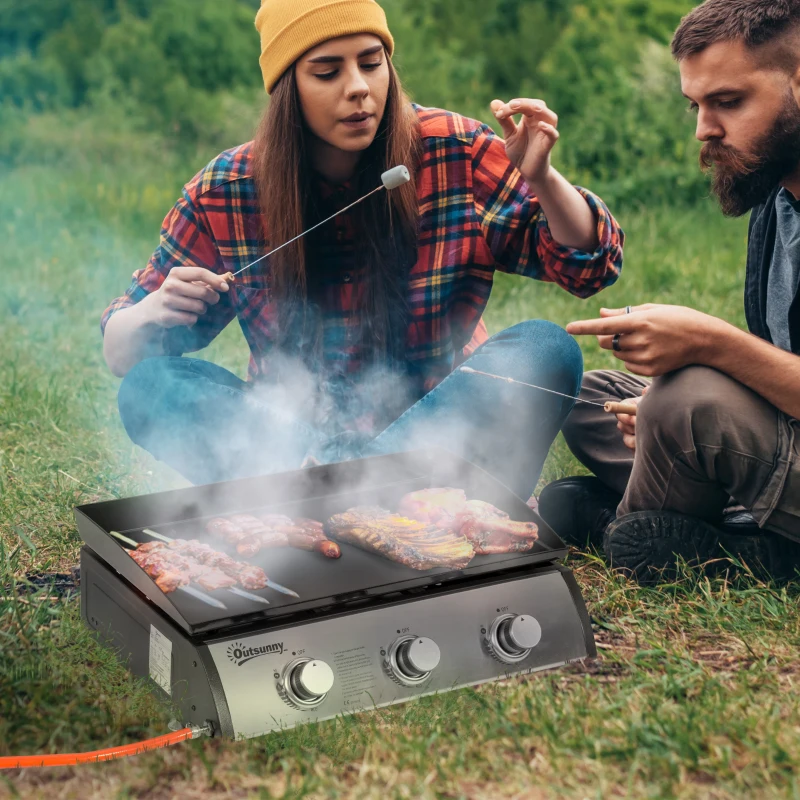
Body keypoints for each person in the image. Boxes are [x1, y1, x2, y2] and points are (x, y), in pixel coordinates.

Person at [100, 0, 623, 499]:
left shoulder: (454, 148)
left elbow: (591, 266)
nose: (358, 89)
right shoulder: (227, 188)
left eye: (372, 64)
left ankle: (335, 498)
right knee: (150, 385)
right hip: (287, 446)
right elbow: (121, 352)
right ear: (287, 88)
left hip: (439, 436)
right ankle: (365, 498)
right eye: (327, 72)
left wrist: (544, 179)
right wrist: (153, 310)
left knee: (546, 348)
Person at [539, 0, 800, 584]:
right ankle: (726, 521)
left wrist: (708, 344)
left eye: (728, 102)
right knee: (593, 395)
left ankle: (686, 543)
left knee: (689, 400)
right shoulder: (778, 203)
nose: (704, 129)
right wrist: (657, 409)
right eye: (697, 105)